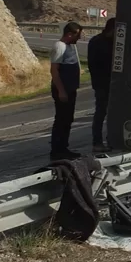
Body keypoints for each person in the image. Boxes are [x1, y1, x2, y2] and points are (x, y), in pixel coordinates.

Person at [49, 21, 84, 160]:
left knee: (68, 119)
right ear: (70, 34)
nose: (79, 38)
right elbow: (54, 71)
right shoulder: (60, 46)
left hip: (70, 89)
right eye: (78, 35)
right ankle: (57, 150)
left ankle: (64, 147)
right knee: (61, 119)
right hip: (62, 90)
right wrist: (61, 91)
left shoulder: (70, 47)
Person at [86, 18, 116, 153]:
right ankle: (97, 142)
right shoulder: (98, 42)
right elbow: (94, 65)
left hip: (110, 83)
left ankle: (111, 139)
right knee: (101, 113)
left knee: (112, 113)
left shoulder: (111, 42)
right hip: (102, 83)